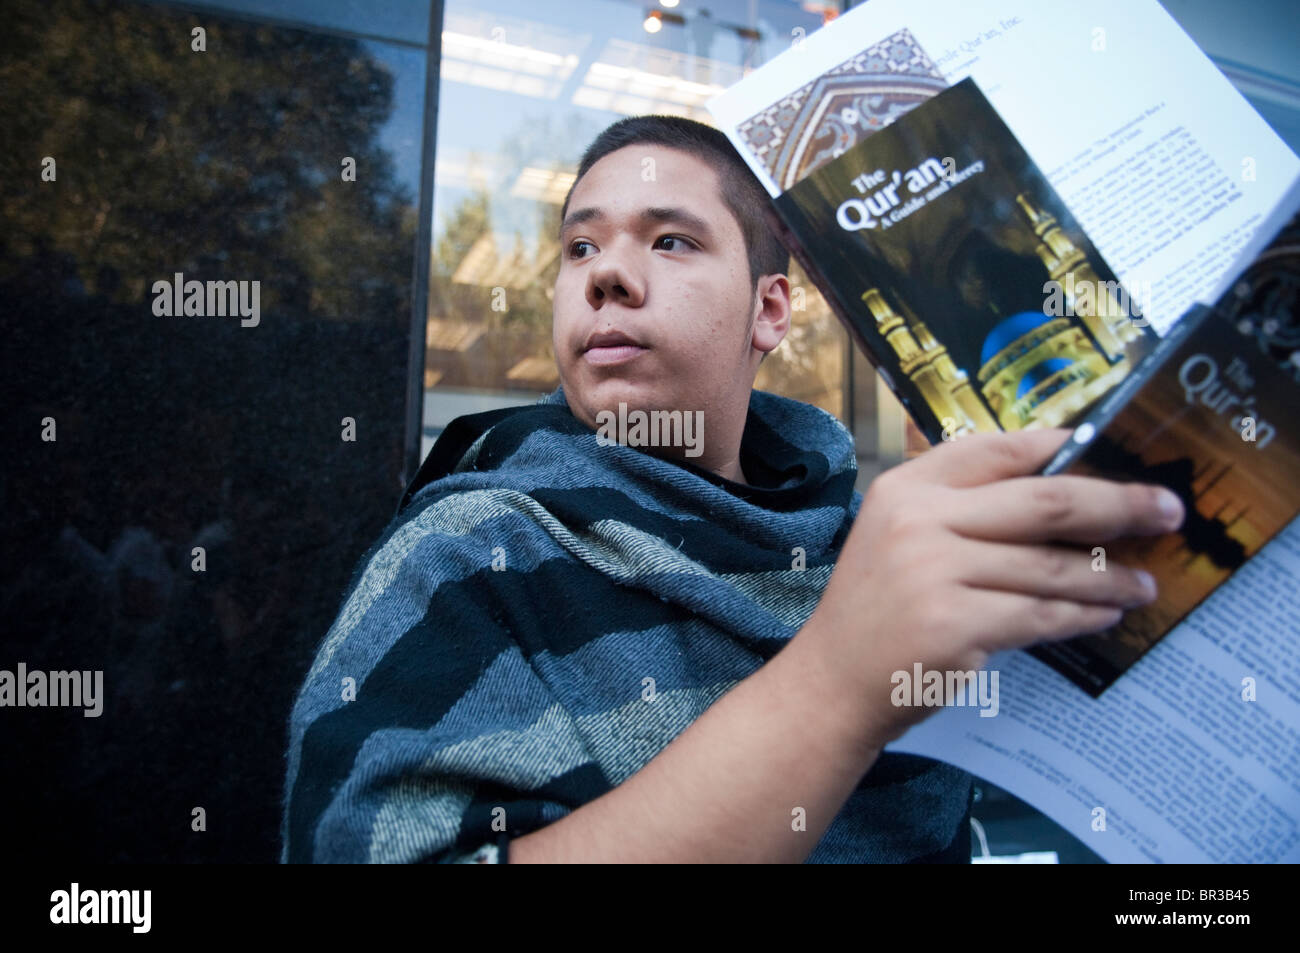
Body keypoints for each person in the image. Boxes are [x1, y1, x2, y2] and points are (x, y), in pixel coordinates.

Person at [280, 115, 1183, 863]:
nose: (605, 273)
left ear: (771, 310)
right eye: (579, 245)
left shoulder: (869, 556)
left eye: (671, 240)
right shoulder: (464, 556)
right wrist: (834, 686)